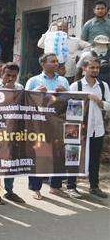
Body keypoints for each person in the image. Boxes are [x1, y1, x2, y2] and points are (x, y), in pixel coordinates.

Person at [25, 53, 70, 200]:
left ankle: (55, 187)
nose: (56, 64)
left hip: (57, 124)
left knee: (57, 155)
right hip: (39, 125)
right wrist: (35, 92)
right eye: (53, 61)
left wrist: (66, 93)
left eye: (57, 61)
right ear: (43, 64)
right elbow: (24, 101)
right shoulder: (33, 81)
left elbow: (72, 101)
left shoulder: (63, 81)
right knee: (38, 155)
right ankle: (35, 189)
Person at [68, 57, 109, 198]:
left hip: (97, 128)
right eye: (92, 67)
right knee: (75, 157)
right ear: (84, 69)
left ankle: (94, 186)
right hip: (79, 129)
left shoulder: (103, 86)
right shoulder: (76, 86)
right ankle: (71, 186)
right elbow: (70, 108)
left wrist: (98, 101)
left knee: (94, 158)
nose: (95, 70)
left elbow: (108, 105)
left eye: (97, 68)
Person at [0, 63, 26, 204]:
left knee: (11, 160)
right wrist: (6, 93)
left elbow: (23, 107)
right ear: (1, 74)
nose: (10, 79)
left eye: (13, 76)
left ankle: (9, 191)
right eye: (7, 75)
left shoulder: (20, 88)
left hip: (13, 129)